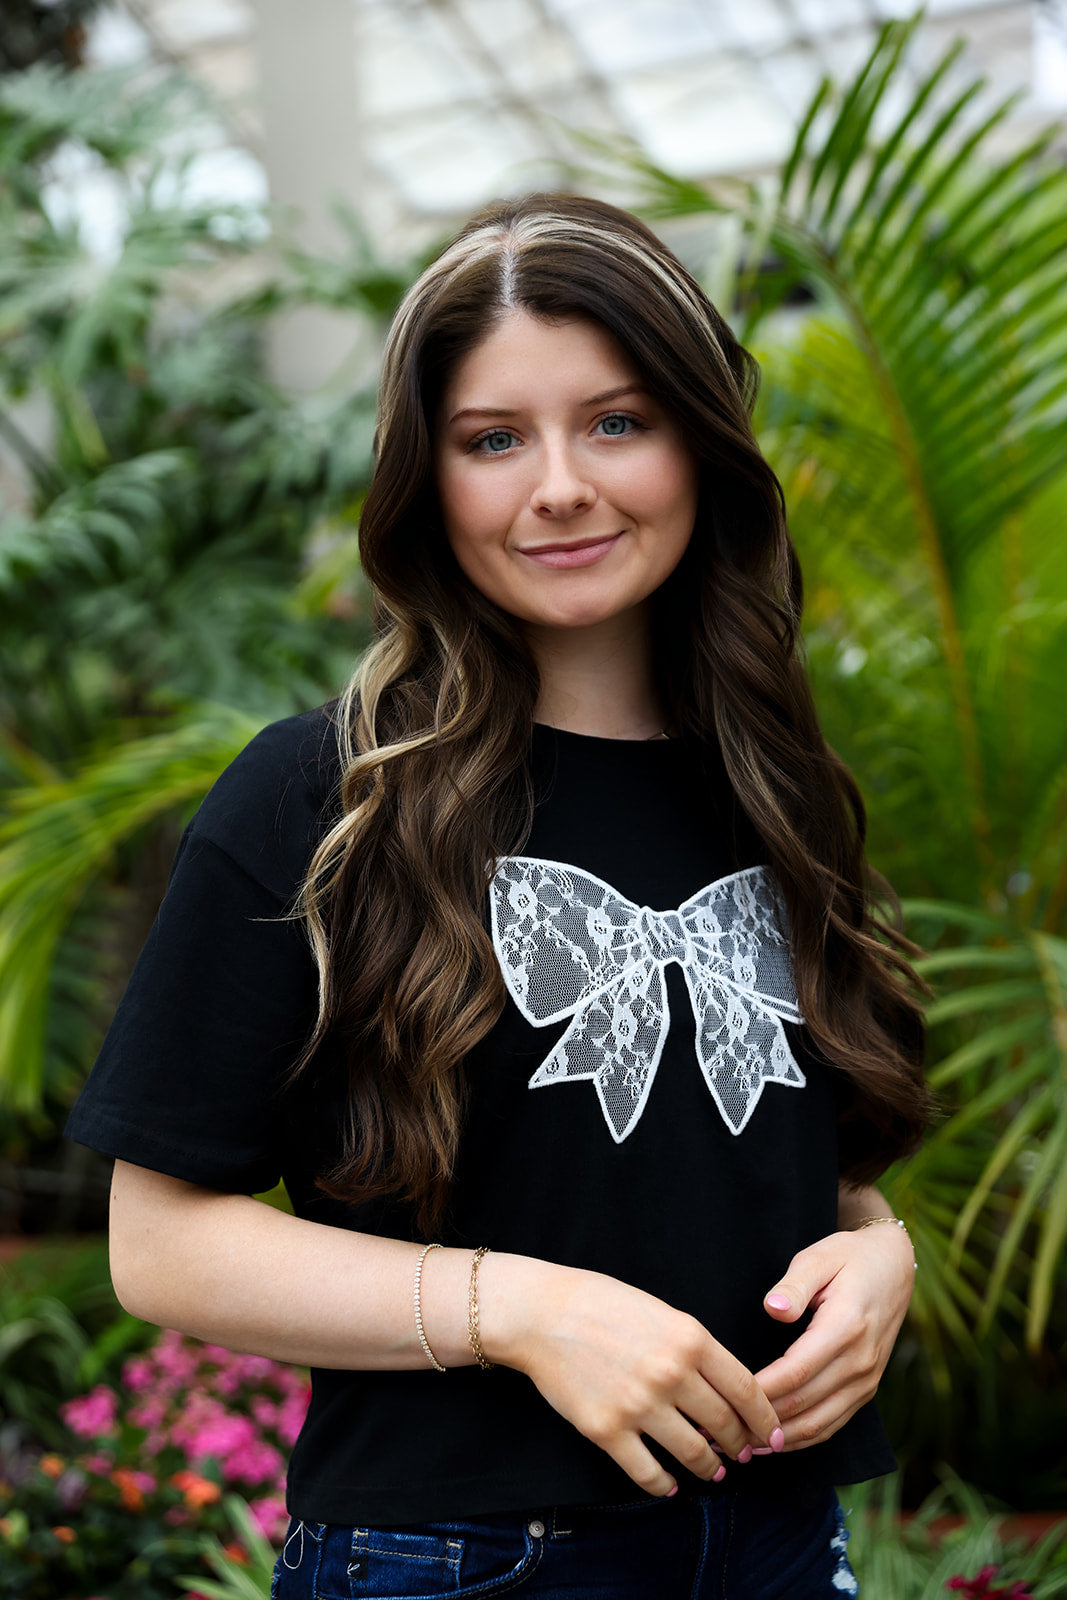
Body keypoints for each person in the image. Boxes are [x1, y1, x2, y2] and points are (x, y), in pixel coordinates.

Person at [65, 192, 931, 1599]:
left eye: (617, 422)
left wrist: (881, 1253)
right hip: (458, 1561)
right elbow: (158, 1246)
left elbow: (774, 1163)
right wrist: (519, 1310)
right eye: (493, 440)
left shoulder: (774, 787)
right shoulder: (321, 798)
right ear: (429, 480)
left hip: (778, 1541)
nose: (561, 486)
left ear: (701, 445)